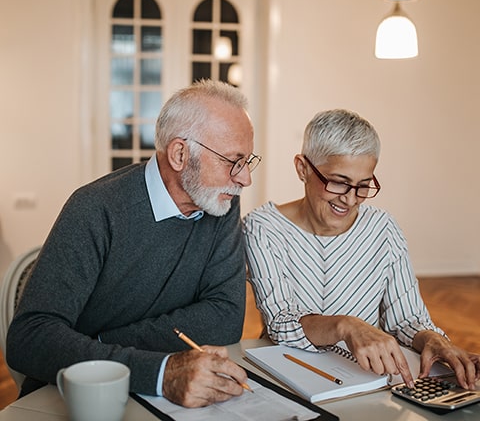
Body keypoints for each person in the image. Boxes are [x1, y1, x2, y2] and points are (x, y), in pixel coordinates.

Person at [7, 79, 262, 408]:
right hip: (77, 398)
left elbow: (225, 318)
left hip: (164, 394)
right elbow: (30, 338)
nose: (245, 179)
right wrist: (158, 371)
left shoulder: (220, 203)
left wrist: (100, 344)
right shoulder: (95, 209)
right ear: (180, 154)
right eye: (233, 161)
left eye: (248, 161)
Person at [243, 108, 479, 390]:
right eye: (339, 182)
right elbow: (281, 323)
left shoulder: (383, 228)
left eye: (363, 186)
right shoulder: (263, 228)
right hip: (290, 376)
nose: (351, 199)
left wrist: (433, 339)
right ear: (302, 168)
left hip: (368, 379)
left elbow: (407, 319)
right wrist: (347, 326)